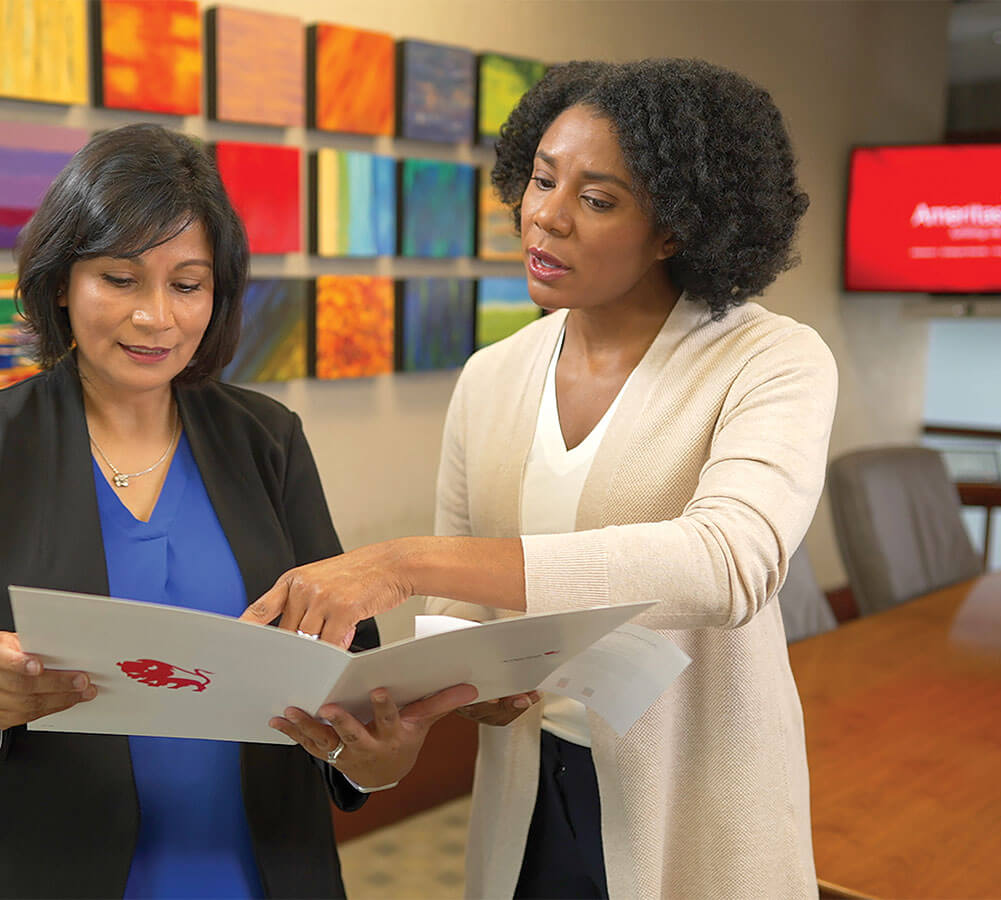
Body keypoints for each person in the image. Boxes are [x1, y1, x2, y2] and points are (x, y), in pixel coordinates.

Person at [243, 59, 837, 898]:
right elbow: (464, 613)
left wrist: (405, 564)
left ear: (675, 227)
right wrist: (434, 708)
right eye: (541, 179)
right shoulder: (493, 375)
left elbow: (730, 564)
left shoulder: (769, 360)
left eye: (596, 200)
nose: (545, 217)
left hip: (689, 800)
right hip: (530, 794)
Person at [0, 123, 473, 899]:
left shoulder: (267, 440)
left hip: (256, 868)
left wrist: (375, 760)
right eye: (121, 279)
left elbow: (348, 668)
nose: (157, 317)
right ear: (61, 283)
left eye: (186, 284)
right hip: (46, 870)